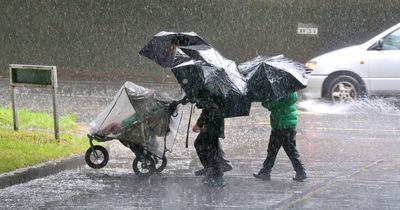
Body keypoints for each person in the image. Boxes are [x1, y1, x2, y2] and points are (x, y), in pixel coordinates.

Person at [253, 92, 307, 182]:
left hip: (280, 125)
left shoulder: (280, 93)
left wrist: (264, 100)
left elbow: (271, 105)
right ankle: (266, 171)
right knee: (288, 150)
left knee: (273, 150)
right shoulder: (291, 91)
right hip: (289, 125)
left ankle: (300, 171)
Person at [192, 108, 232, 187]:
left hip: (211, 125)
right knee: (210, 147)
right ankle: (212, 170)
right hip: (214, 124)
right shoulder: (215, 99)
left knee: (204, 146)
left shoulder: (210, 100)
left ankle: (214, 173)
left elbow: (207, 110)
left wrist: (199, 124)